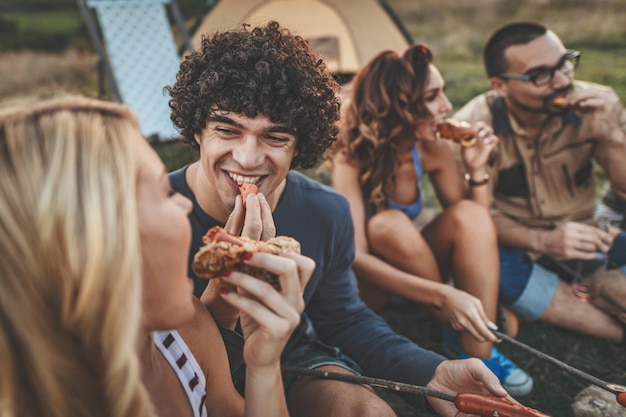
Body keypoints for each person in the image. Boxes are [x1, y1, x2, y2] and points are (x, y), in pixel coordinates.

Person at [167, 21, 515, 416]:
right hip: (181, 372)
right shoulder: (148, 214)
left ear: (300, 146)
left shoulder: (326, 210)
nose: (248, 158)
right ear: (198, 129)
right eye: (227, 130)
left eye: (275, 137)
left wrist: (430, 370)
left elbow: (345, 319)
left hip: (293, 355)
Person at [0, 95, 310, 417]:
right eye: (164, 192)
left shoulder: (189, 334)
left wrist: (263, 365)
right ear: (90, 237)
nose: (184, 204)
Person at [326, 43, 533, 396]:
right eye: (433, 96)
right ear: (399, 104)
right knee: (386, 223)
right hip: (371, 287)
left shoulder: (431, 146)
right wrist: (443, 294)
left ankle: (476, 353)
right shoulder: (351, 152)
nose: (447, 107)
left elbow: (476, 224)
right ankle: (458, 321)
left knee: (466, 212)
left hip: (417, 267)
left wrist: (476, 170)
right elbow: (355, 256)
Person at [454, 21, 626, 345]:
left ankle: (533, 305)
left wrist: (614, 137)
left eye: (564, 63)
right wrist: (546, 241)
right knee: (496, 270)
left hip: (589, 236)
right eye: (541, 75)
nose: (563, 80)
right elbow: (475, 219)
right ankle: (616, 332)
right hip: (518, 246)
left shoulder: (599, 104)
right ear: (500, 85)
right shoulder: (474, 128)